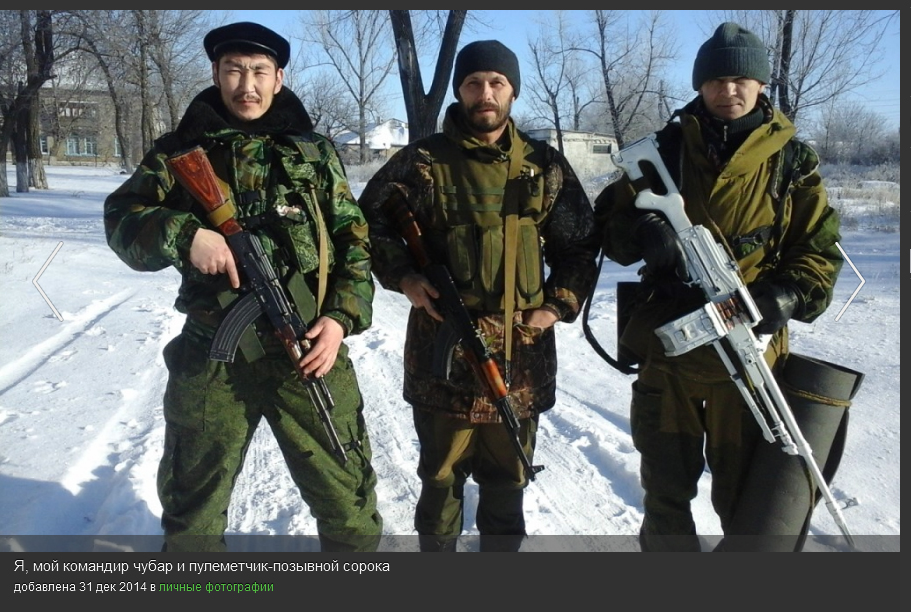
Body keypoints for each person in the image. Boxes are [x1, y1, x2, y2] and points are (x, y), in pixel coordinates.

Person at [104, 22, 382, 552]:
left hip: (306, 348)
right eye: (234, 70)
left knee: (348, 505)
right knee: (193, 514)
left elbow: (354, 240)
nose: (246, 85)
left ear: (279, 78)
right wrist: (186, 235)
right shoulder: (179, 153)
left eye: (259, 71)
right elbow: (121, 220)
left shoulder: (314, 153)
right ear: (216, 73)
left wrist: (340, 319)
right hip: (214, 351)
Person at [594, 22, 844, 552]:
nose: (727, 91)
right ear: (699, 85)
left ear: (760, 85)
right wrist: (644, 231)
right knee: (665, 494)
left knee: (747, 500)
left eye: (740, 80)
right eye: (715, 80)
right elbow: (609, 232)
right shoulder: (664, 150)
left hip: (750, 352)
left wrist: (788, 295)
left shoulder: (792, 161)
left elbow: (819, 252)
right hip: (670, 353)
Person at [358, 39, 600, 552]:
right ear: (459, 91)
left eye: (496, 82)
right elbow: (366, 225)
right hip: (441, 355)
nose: (484, 93)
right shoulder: (421, 161)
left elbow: (581, 245)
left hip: (520, 355)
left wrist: (554, 307)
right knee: (440, 479)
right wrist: (405, 277)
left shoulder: (544, 165)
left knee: (508, 480)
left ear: (513, 91)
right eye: (473, 83)